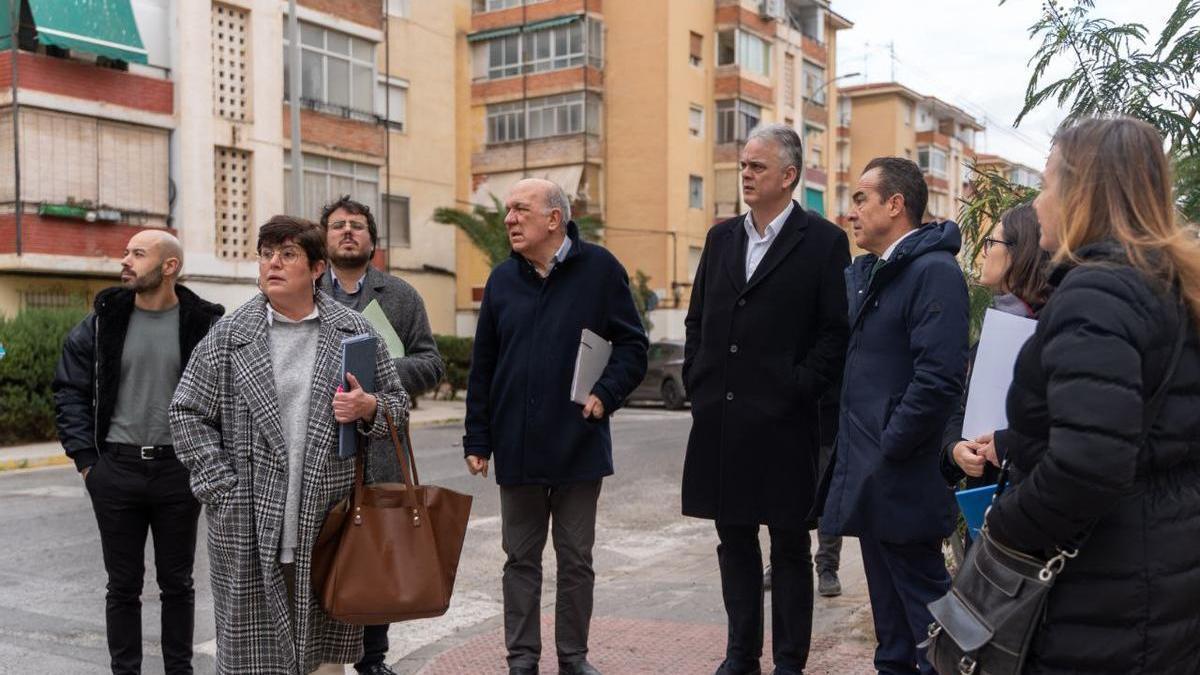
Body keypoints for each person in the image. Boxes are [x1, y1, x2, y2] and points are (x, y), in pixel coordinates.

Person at [983, 117, 1200, 673]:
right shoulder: (1172, 285)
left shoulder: (1100, 292)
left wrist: (1006, 526)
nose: (1037, 201)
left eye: (1049, 182)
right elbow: (1144, 428)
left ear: (1083, 194)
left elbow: (1091, 462)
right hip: (1162, 581)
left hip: (1102, 597)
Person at [169, 216, 409, 674]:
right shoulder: (229, 335)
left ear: (318, 267)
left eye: (288, 254)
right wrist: (222, 487)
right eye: (266, 254)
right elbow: (186, 412)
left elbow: (397, 408)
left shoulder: (354, 332)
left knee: (324, 664)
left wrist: (369, 407)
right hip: (248, 523)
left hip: (330, 525)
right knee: (253, 662)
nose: (273, 263)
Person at [680, 123, 850, 675]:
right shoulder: (721, 237)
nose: (746, 174)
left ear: (789, 176)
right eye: (745, 165)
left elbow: (834, 334)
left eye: (757, 166)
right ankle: (740, 655)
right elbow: (698, 317)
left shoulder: (823, 241)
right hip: (722, 418)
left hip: (785, 423)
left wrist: (798, 389)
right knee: (733, 540)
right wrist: (698, 382)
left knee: (790, 547)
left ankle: (790, 664)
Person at [463, 178, 648, 675]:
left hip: (578, 443)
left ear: (555, 219)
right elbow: (485, 364)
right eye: (507, 212)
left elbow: (633, 346)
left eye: (520, 210)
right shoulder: (503, 279)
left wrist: (604, 395)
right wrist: (477, 437)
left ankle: (574, 658)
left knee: (576, 560)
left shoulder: (600, 270)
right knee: (519, 560)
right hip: (516, 446)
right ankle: (522, 659)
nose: (509, 220)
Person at [818, 157, 969, 675]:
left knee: (934, 638)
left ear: (895, 204)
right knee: (894, 641)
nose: (852, 211)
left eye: (861, 198)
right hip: (875, 478)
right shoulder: (881, 273)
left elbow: (938, 379)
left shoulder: (933, 271)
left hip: (901, 478)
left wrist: (888, 447)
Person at [52, 230, 223, 675]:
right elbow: (69, 391)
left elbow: (229, 397)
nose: (124, 260)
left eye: (137, 254)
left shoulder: (204, 325)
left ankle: (178, 671)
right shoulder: (100, 322)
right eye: (126, 251)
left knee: (178, 585)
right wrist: (89, 465)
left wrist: (209, 462)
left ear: (169, 267)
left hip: (179, 471)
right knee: (122, 587)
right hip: (117, 469)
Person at [316, 195, 445, 675]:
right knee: (324, 553)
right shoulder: (307, 293)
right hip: (321, 449)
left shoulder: (401, 296)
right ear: (324, 239)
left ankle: (373, 661)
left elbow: (431, 363)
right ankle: (323, 656)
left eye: (356, 226)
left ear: (372, 240)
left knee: (377, 553)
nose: (347, 232)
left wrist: (375, 373)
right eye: (337, 226)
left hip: (381, 446)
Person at [940, 203, 1050, 488]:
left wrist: (1008, 444)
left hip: (1032, 501)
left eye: (992, 242)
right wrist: (955, 449)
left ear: (1019, 252)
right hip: (988, 502)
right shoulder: (994, 330)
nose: (985, 251)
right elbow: (961, 408)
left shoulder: (1054, 331)